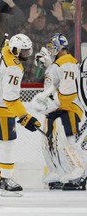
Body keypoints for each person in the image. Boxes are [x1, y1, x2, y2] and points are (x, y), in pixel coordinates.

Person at [0, 33, 41, 197]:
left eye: (28, 51)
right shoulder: (14, 67)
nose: (26, 55)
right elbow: (11, 98)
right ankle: (6, 180)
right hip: (2, 108)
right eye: (23, 51)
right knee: (8, 143)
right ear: (15, 49)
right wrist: (25, 117)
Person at [32, 33, 86, 190]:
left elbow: (69, 93)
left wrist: (49, 104)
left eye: (52, 45)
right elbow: (51, 84)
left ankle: (79, 171)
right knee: (49, 143)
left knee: (68, 141)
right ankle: (58, 170)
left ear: (60, 46)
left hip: (67, 108)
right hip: (56, 109)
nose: (50, 48)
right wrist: (46, 67)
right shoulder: (57, 63)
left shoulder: (68, 61)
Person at [18, 2, 71, 82]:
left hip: (46, 81)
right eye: (37, 17)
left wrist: (60, 18)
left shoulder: (50, 29)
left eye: (42, 17)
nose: (40, 20)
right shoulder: (27, 31)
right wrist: (30, 19)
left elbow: (66, 31)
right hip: (26, 81)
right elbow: (19, 35)